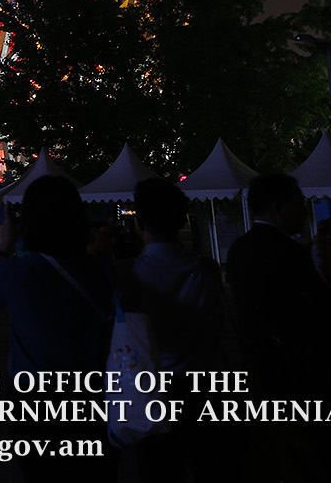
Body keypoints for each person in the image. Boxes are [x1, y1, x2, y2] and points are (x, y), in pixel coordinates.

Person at [0, 176, 114, 482]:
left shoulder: (17, 271)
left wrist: (2, 248)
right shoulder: (102, 269)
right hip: (90, 396)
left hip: (34, 401)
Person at [226, 173, 331, 482]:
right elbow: (316, 314)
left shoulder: (239, 249)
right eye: (298, 203)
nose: (304, 209)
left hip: (264, 372)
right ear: (278, 207)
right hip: (304, 376)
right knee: (318, 459)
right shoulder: (290, 253)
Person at [115, 177, 226, 483]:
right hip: (202, 390)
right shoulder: (205, 271)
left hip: (149, 393)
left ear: (139, 223)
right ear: (181, 221)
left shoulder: (125, 274)